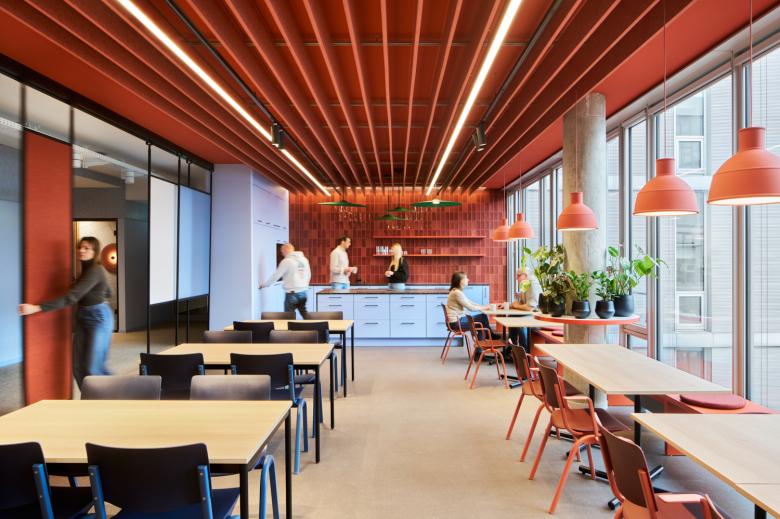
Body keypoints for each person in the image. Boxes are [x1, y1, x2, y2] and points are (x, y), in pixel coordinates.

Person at [19, 236, 113, 390]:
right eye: (80, 247)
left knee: (95, 368)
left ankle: (116, 396)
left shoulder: (96, 270)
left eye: (87, 248)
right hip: (83, 317)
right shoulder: (85, 271)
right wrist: (93, 292)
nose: (81, 250)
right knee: (78, 367)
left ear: (95, 251)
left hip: (99, 318)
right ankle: (90, 399)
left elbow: (71, 298)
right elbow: (109, 292)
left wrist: (36, 308)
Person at [446, 271, 501, 340]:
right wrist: (486, 307)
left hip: (457, 320)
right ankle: (485, 339)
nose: (468, 280)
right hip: (456, 323)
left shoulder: (457, 291)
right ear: (460, 281)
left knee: (483, 317)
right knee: (483, 321)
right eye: (466, 278)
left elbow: (470, 302)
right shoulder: (457, 293)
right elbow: (471, 308)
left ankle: (486, 338)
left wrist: (485, 306)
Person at [261, 243, 311, 318]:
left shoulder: (286, 261)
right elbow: (309, 274)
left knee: (289, 316)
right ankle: (313, 325)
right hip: (303, 292)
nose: (282, 254)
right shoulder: (304, 260)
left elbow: (276, 275)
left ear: (285, 250)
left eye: (282, 252)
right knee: (304, 313)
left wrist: (265, 284)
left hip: (292, 293)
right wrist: (305, 285)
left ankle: (292, 326)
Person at [509, 268, 542, 351]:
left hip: (536, 316)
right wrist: (513, 304)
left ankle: (524, 351)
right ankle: (512, 348)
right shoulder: (525, 284)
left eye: (518, 276)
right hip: (530, 314)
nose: (516, 278)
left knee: (521, 323)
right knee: (511, 317)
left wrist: (515, 306)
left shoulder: (532, 284)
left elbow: (529, 307)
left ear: (526, 275)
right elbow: (522, 303)